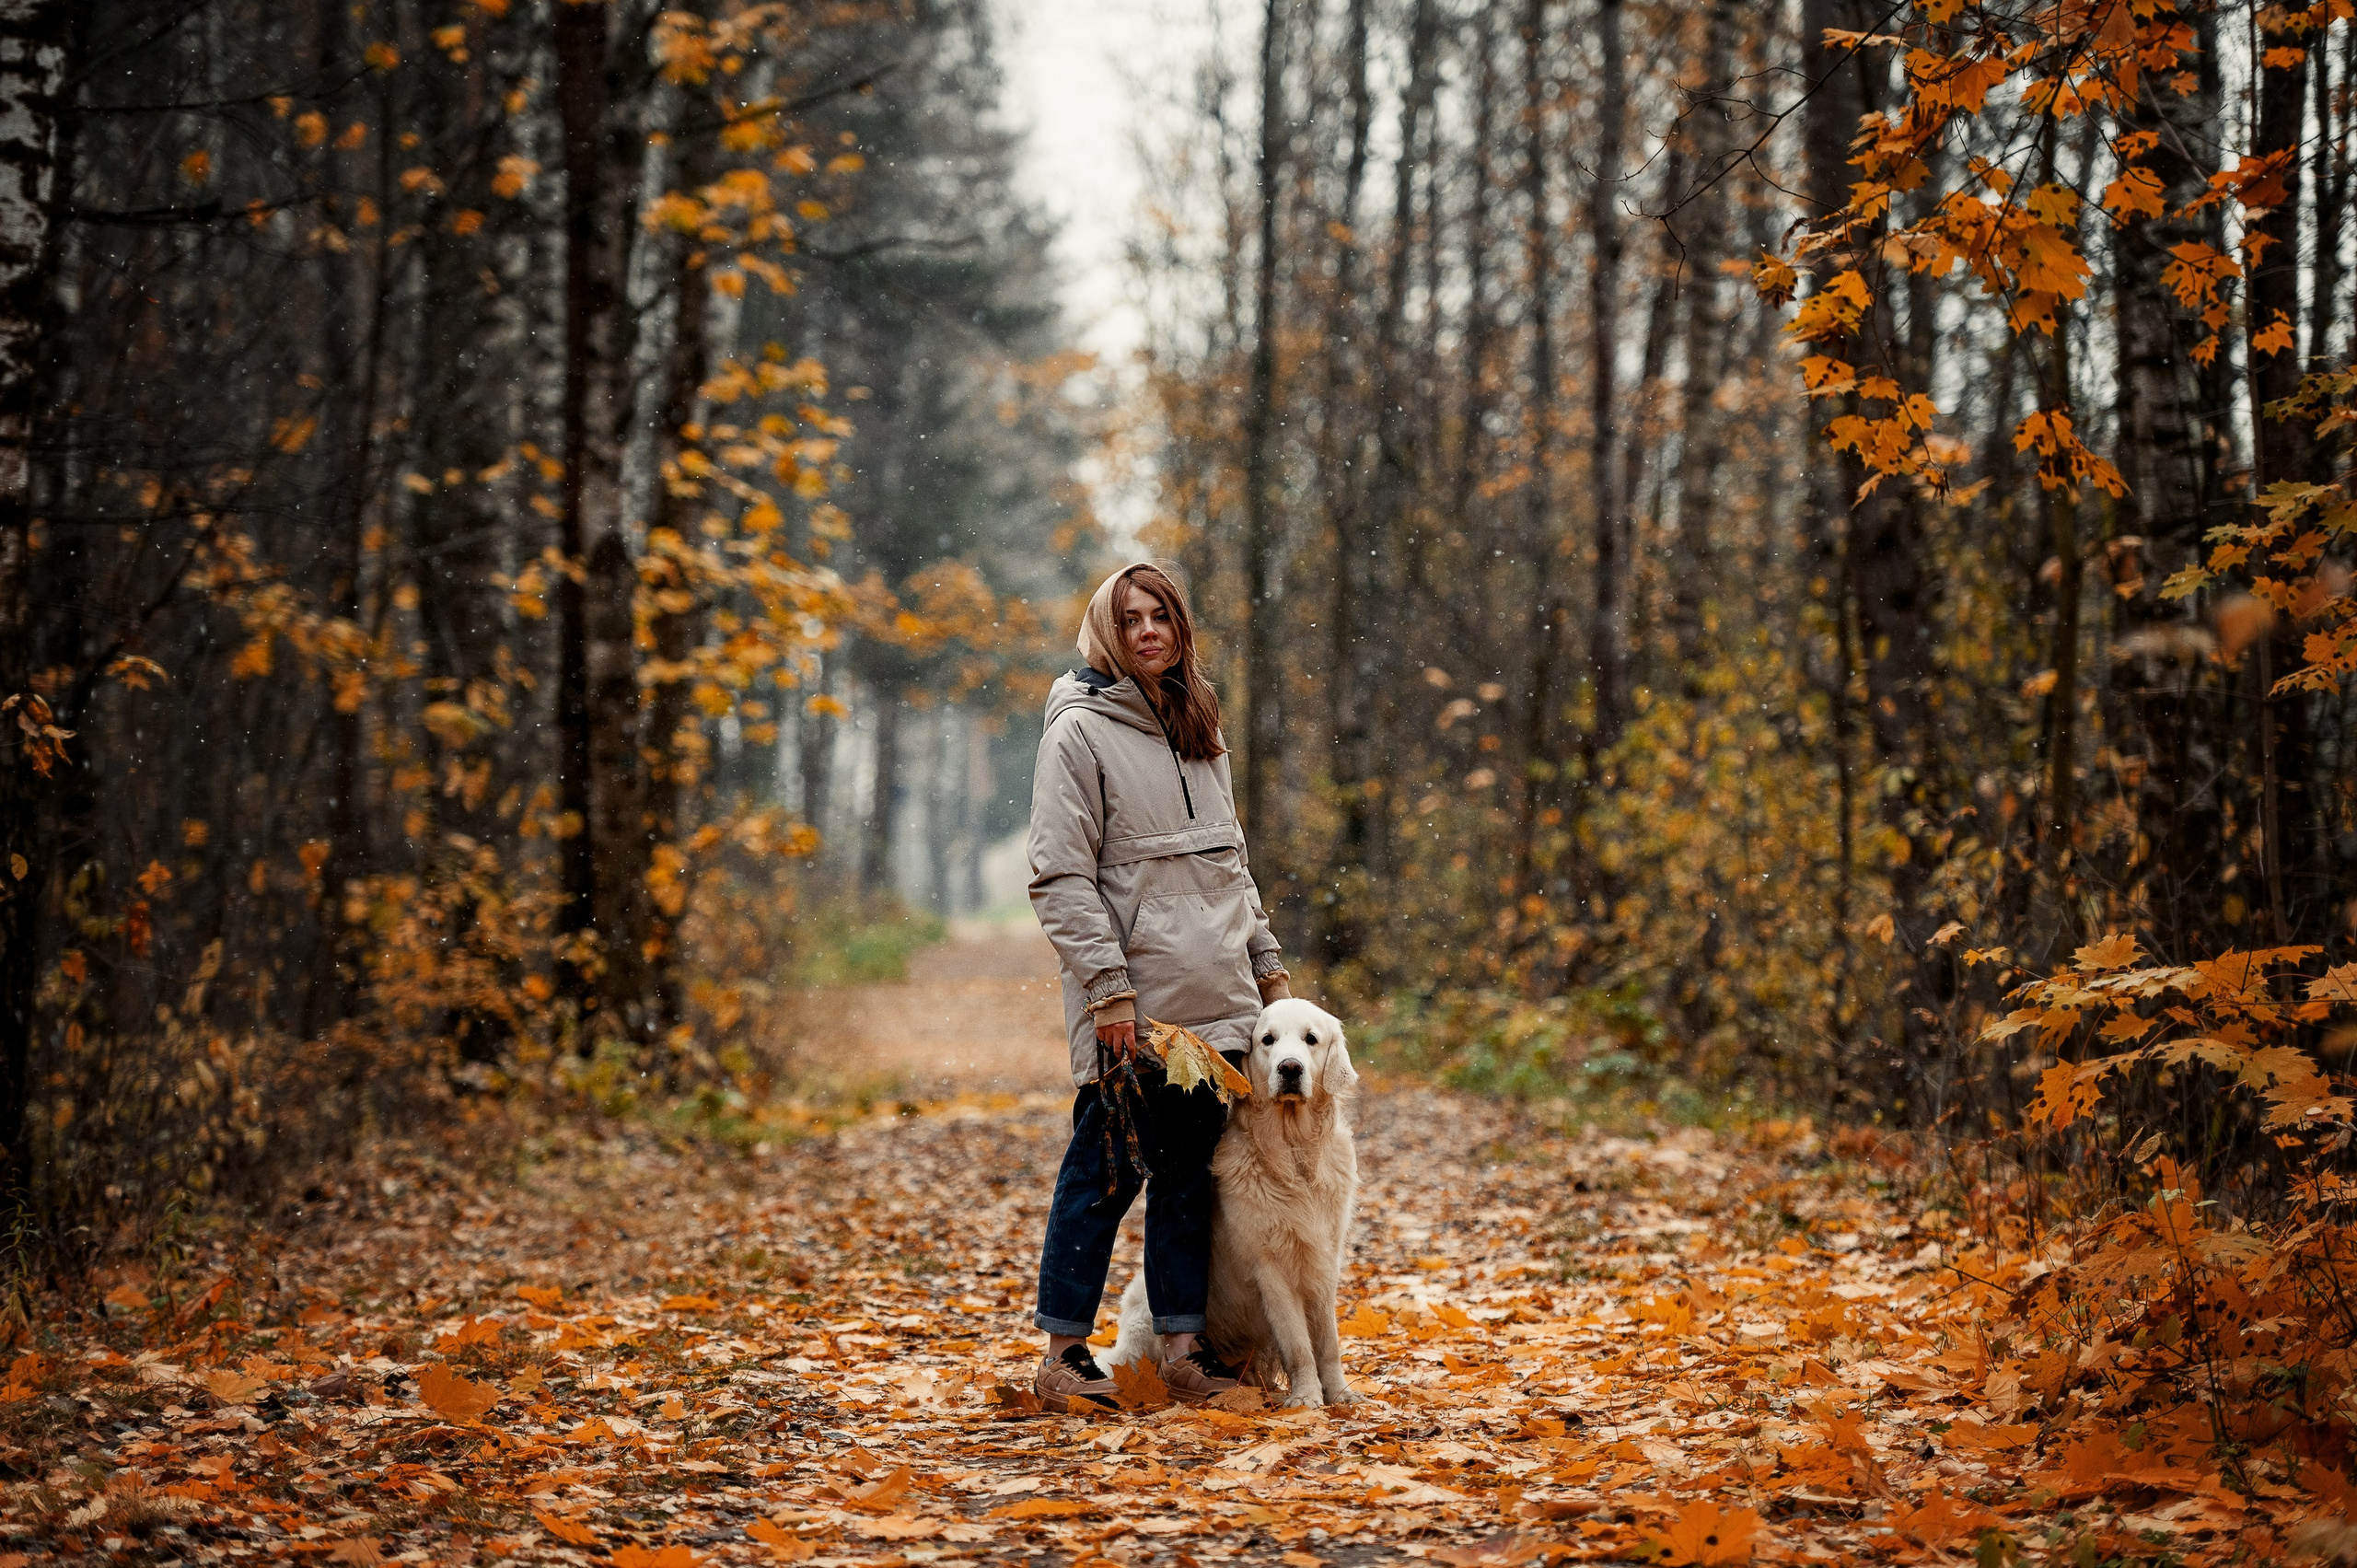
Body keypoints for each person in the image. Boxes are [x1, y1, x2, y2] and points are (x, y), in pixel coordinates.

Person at [1026, 562, 1292, 1410]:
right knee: (1100, 1178)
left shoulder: (1199, 727)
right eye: (1131, 619)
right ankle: (1063, 1356)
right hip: (1133, 1013)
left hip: (1218, 1009)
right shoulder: (1076, 731)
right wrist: (1109, 992)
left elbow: (1231, 868)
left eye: (1162, 617)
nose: (1148, 631)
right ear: (1107, 632)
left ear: (1180, 630)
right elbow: (1061, 876)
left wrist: (1269, 968)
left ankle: (1183, 1349)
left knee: (1187, 1181)